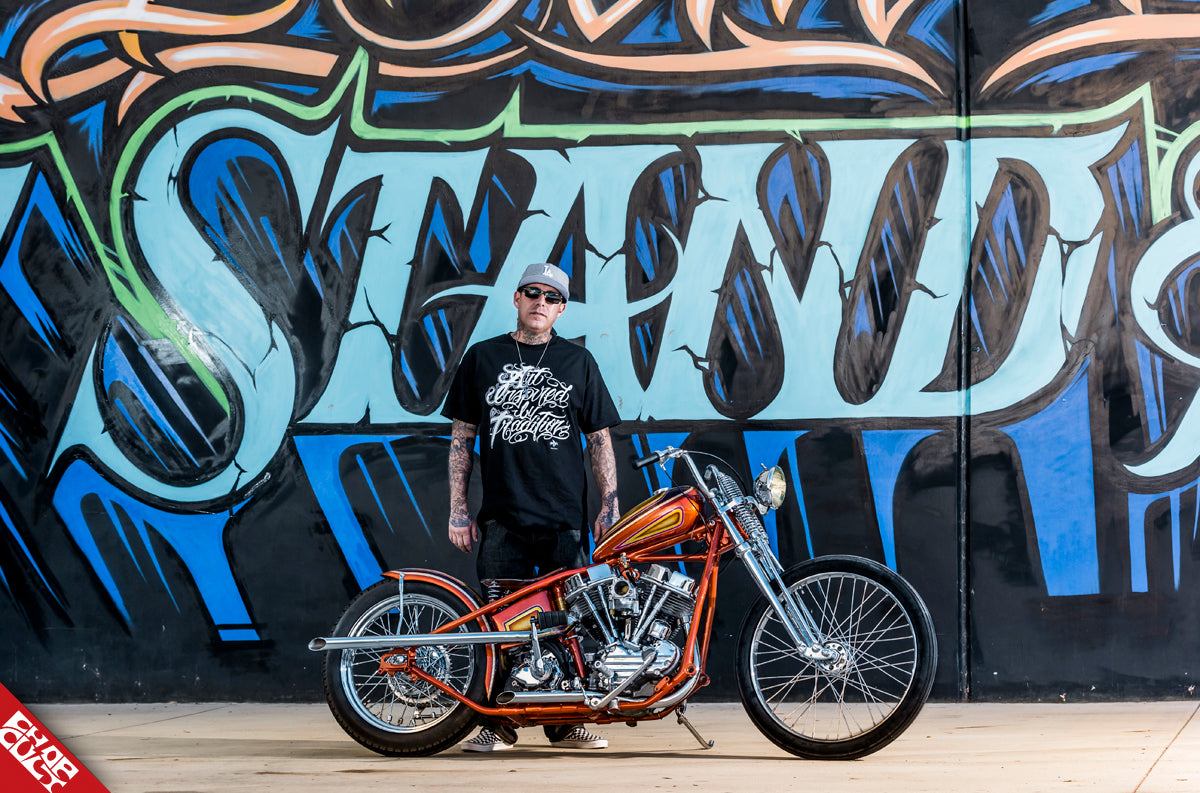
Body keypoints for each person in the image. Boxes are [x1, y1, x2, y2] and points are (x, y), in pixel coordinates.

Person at [442, 262, 621, 753]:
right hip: (503, 518)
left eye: (551, 296)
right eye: (531, 292)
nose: (540, 301)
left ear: (561, 310)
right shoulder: (483, 358)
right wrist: (459, 508)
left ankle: (564, 724)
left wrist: (609, 502)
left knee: (570, 624)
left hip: (565, 518)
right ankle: (499, 725)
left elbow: (599, 438)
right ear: (516, 299)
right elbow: (462, 439)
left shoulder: (579, 363)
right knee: (502, 626)